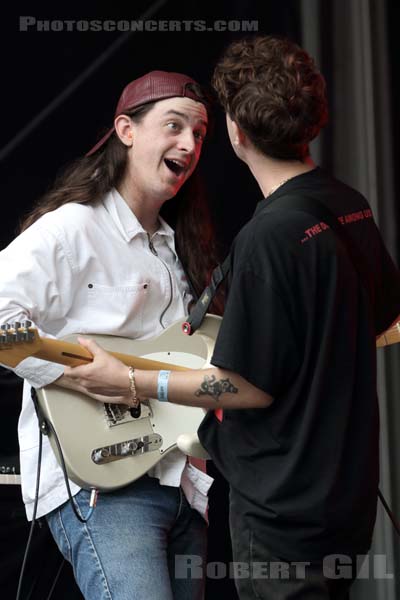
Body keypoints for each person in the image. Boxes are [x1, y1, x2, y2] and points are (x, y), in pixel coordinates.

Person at [64, 36, 400, 600]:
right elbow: (384, 321)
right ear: (312, 120)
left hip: (283, 506)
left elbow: (243, 386)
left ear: (237, 133)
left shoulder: (269, 237)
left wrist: (130, 381)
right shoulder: (349, 204)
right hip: (347, 496)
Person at [0, 70, 218, 600]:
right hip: (101, 486)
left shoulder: (174, 250)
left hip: (182, 485)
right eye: (174, 126)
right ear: (126, 130)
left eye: (200, 134)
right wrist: (86, 376)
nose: (188, 144)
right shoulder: (72, 228)